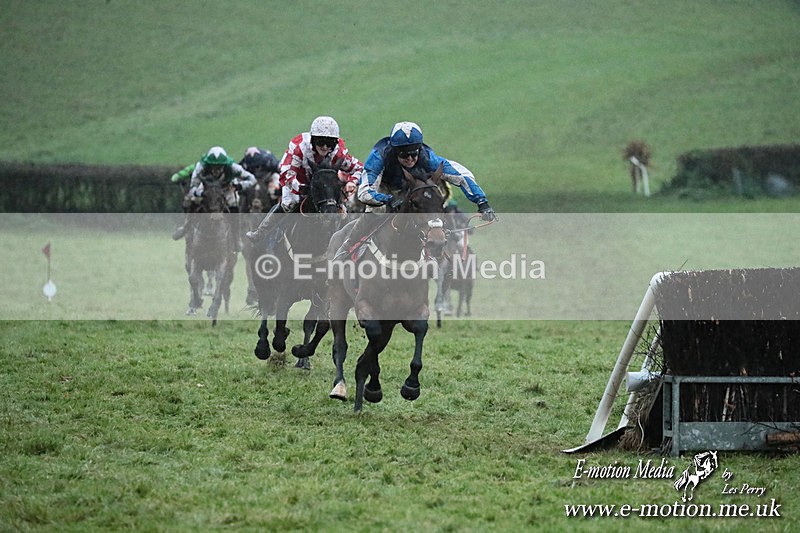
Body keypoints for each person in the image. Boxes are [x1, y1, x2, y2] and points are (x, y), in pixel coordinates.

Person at [337, 121, 495, 257]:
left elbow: (462, 176)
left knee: (429, 206)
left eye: (413, 154)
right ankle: (346, 249)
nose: (410, 159)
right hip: (384, 189)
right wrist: (389, 200)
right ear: (395, 151)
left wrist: (482, 202)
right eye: (404, 155)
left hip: (412, 189)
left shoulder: (428, 157)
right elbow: (364, 192)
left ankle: (434, 252)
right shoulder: (379, 156)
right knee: (374, 212)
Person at [245, 116, 363, 243]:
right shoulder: (299, 148)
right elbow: (286, 173)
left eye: (329, 143)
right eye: (320, 141)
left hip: (324, 185)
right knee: (289, 203)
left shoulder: (339, 152)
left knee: (341, 209)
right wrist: (301, 188)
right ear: (313, 140)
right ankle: (261, 233)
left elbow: (360, 168)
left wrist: (352, 181)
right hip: (299, 182)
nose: (324, 147)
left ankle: (350, 241)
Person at [172, 146, 256, 242]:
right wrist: (200, 193)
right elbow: (193, 188)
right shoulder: (201, 167)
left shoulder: (233, 167)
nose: (216, 170)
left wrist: (239, 185)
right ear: (208, 164)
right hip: (206, 189)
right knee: (193, 200)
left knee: (233, 203)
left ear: (225, 165)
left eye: (220, 166)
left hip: (226, 188)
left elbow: (252, 179)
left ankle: (236, 237)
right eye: (213, 166)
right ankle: (186, 226)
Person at [238, 146, 280, 213]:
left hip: (268, 177)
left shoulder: (271, 162)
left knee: (275, 185)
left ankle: (276, 206)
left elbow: (281, 170)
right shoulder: (244, 164)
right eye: (252, 167)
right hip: (252, 179)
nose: (254, 168)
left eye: (256, 166)